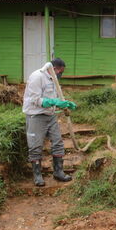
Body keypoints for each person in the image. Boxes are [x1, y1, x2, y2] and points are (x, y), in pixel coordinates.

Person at [22, 58, 77, 186]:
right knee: (36, 146)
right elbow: (35, 99)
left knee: (58, 142)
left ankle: (58, 172)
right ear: (54, 69)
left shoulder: (53, 79)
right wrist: (53, 102)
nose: (61, 74)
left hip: (50, 115)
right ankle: (37, 175)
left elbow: (55, 97)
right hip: (35, 116)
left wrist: (65, 103)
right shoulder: (37, 77)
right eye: (60, 72)